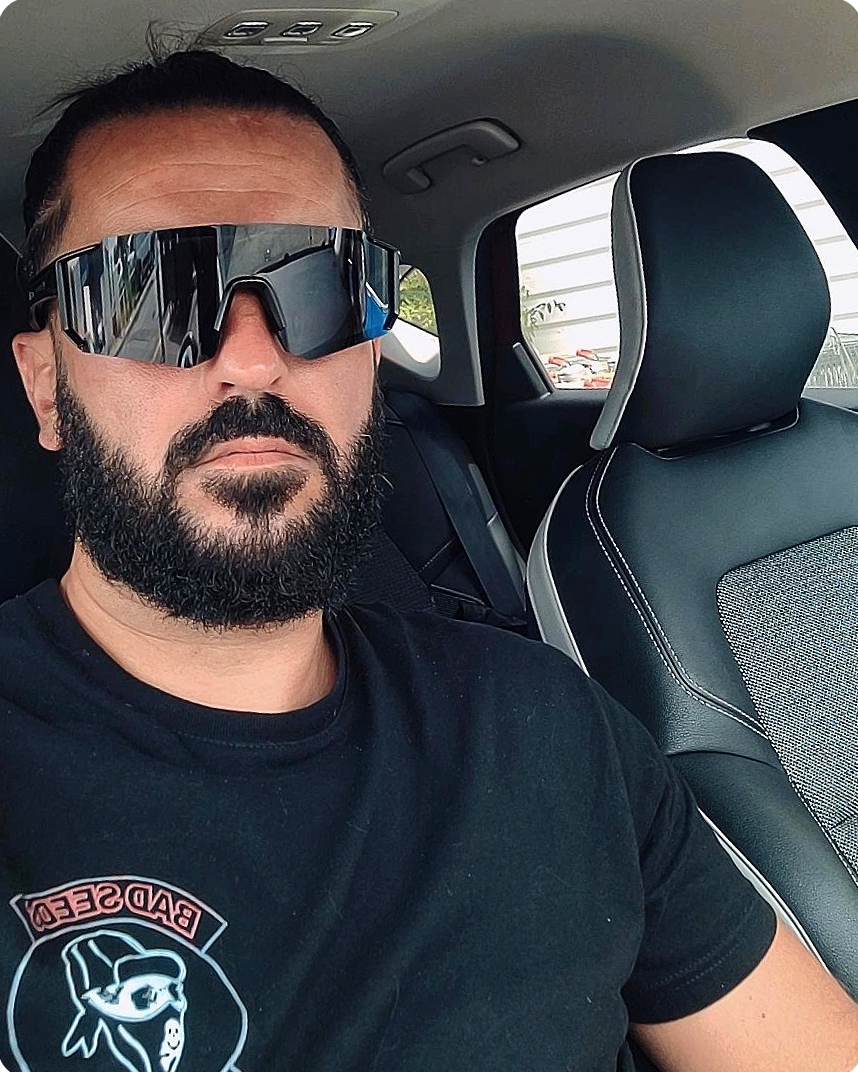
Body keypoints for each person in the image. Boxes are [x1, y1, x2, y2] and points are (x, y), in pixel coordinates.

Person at [0, 46, 856, 1072]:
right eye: (148, 291)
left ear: (370, 348)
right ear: (45, 386)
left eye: (319, 284)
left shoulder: (546, 721)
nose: (255, 358)